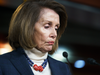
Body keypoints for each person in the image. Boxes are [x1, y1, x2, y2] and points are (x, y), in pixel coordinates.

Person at [0, 0, 72, 75]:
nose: (54, 34)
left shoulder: (63, 68)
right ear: (27, 27)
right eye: (47, 26)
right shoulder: (2, 64)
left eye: (56, 28)